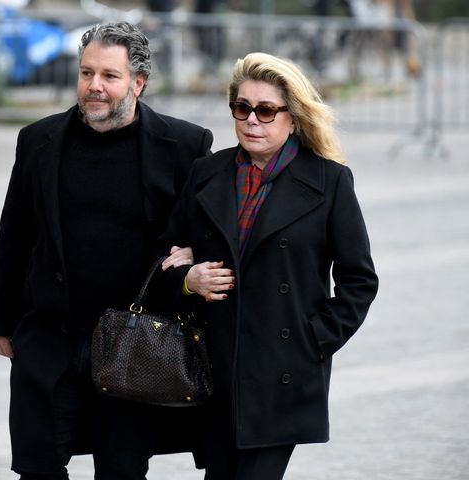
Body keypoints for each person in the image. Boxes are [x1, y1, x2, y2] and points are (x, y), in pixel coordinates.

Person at [0, 21, 213, 479]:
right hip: (51, 337)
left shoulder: (186, 145)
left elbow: (197, 235)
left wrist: (189, 265)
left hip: (135, 343)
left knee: (122, 469)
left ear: (138, 83)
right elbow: (15, 234)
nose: (94, 87)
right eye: (87, 73)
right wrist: (2, 321)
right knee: (37, 464)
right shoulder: (38, 141)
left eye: (109, 76)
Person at [157, 52, 379, 479]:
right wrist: (187, 279)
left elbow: (359, 280)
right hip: (216, 370)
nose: (251, 121)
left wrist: (312, 340)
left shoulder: (329, 181)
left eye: (265, 110)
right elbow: (162, 255)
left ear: (292, 118)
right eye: (242, 108)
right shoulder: (206, 173)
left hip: (283, 372)